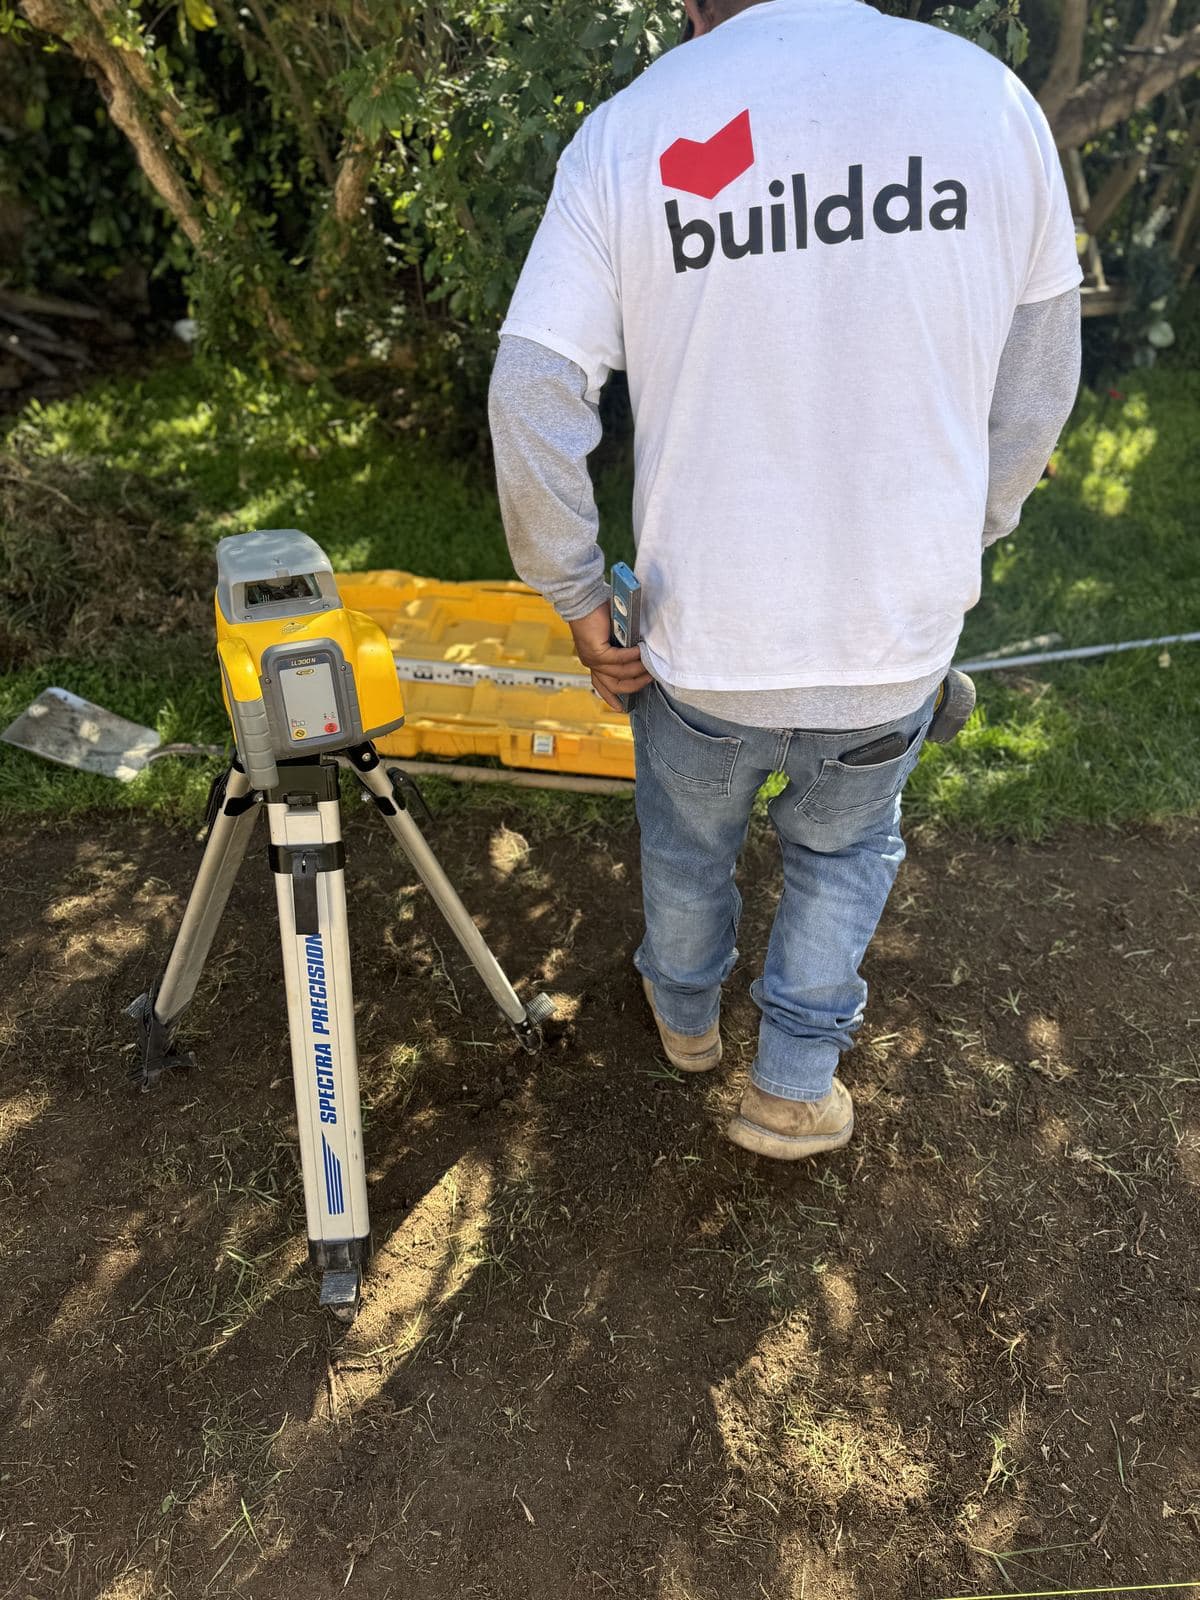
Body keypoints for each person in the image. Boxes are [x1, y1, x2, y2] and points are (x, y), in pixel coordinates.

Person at [488, 0, 1081, 1160]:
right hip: (890, 639)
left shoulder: (630, 131)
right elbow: (1041, 380)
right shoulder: (991, 106)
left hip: (700, 644)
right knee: (844, 853)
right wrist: (970, 536)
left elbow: (529, 396)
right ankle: (794, 1082)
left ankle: (686, 1017)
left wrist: (575, 594)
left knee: (685, 841)